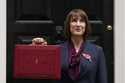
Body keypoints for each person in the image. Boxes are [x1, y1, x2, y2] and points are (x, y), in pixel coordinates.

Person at [32, 9, 107, 83]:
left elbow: (102, 80)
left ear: (86, 25)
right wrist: (37, 51)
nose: (78, 24)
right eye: (74, 21)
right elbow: (40, 71)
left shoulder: (97, 51)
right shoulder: (57, 50)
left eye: (82, 21)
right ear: (68, 25)